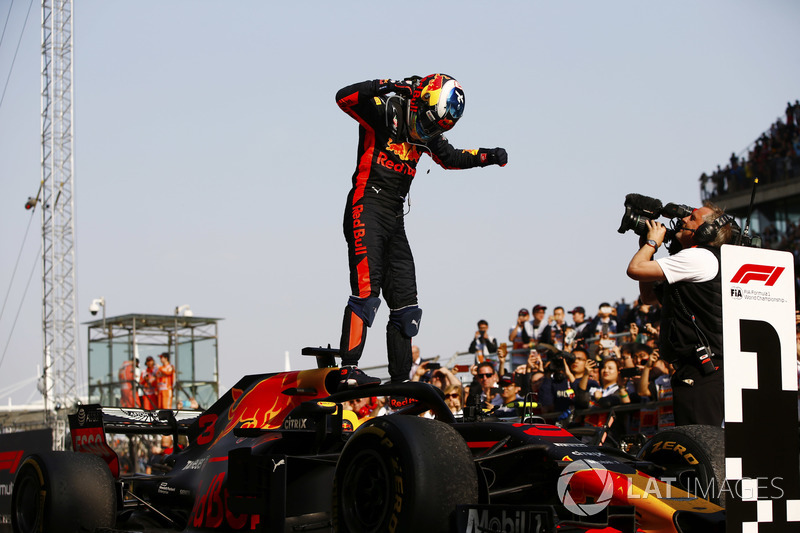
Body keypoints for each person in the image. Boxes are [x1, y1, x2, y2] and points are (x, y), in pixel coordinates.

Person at [336, 74, 508, 390]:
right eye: (429, 123)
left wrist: (489, 156)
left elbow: (451, 158)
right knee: (366, 292)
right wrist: (383, 84)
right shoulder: (387, 108)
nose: (428, 133)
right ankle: (349, 367)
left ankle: (401, 381)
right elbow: (343, 97)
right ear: (420, 101)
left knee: (406, 305)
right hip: (367, 206)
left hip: (395, 217)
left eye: (436, 129)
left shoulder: (428, 131)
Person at [626, 202, 734, 426]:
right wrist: (646, 246)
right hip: (698, 367)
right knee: (695, 440)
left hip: (703, 368)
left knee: (700, 444)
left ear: (706, 232)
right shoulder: (696, 260)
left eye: (693, 218)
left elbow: (635, 269)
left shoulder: (699, 257)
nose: (684, 220)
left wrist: (652, 242)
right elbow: (649, 297)